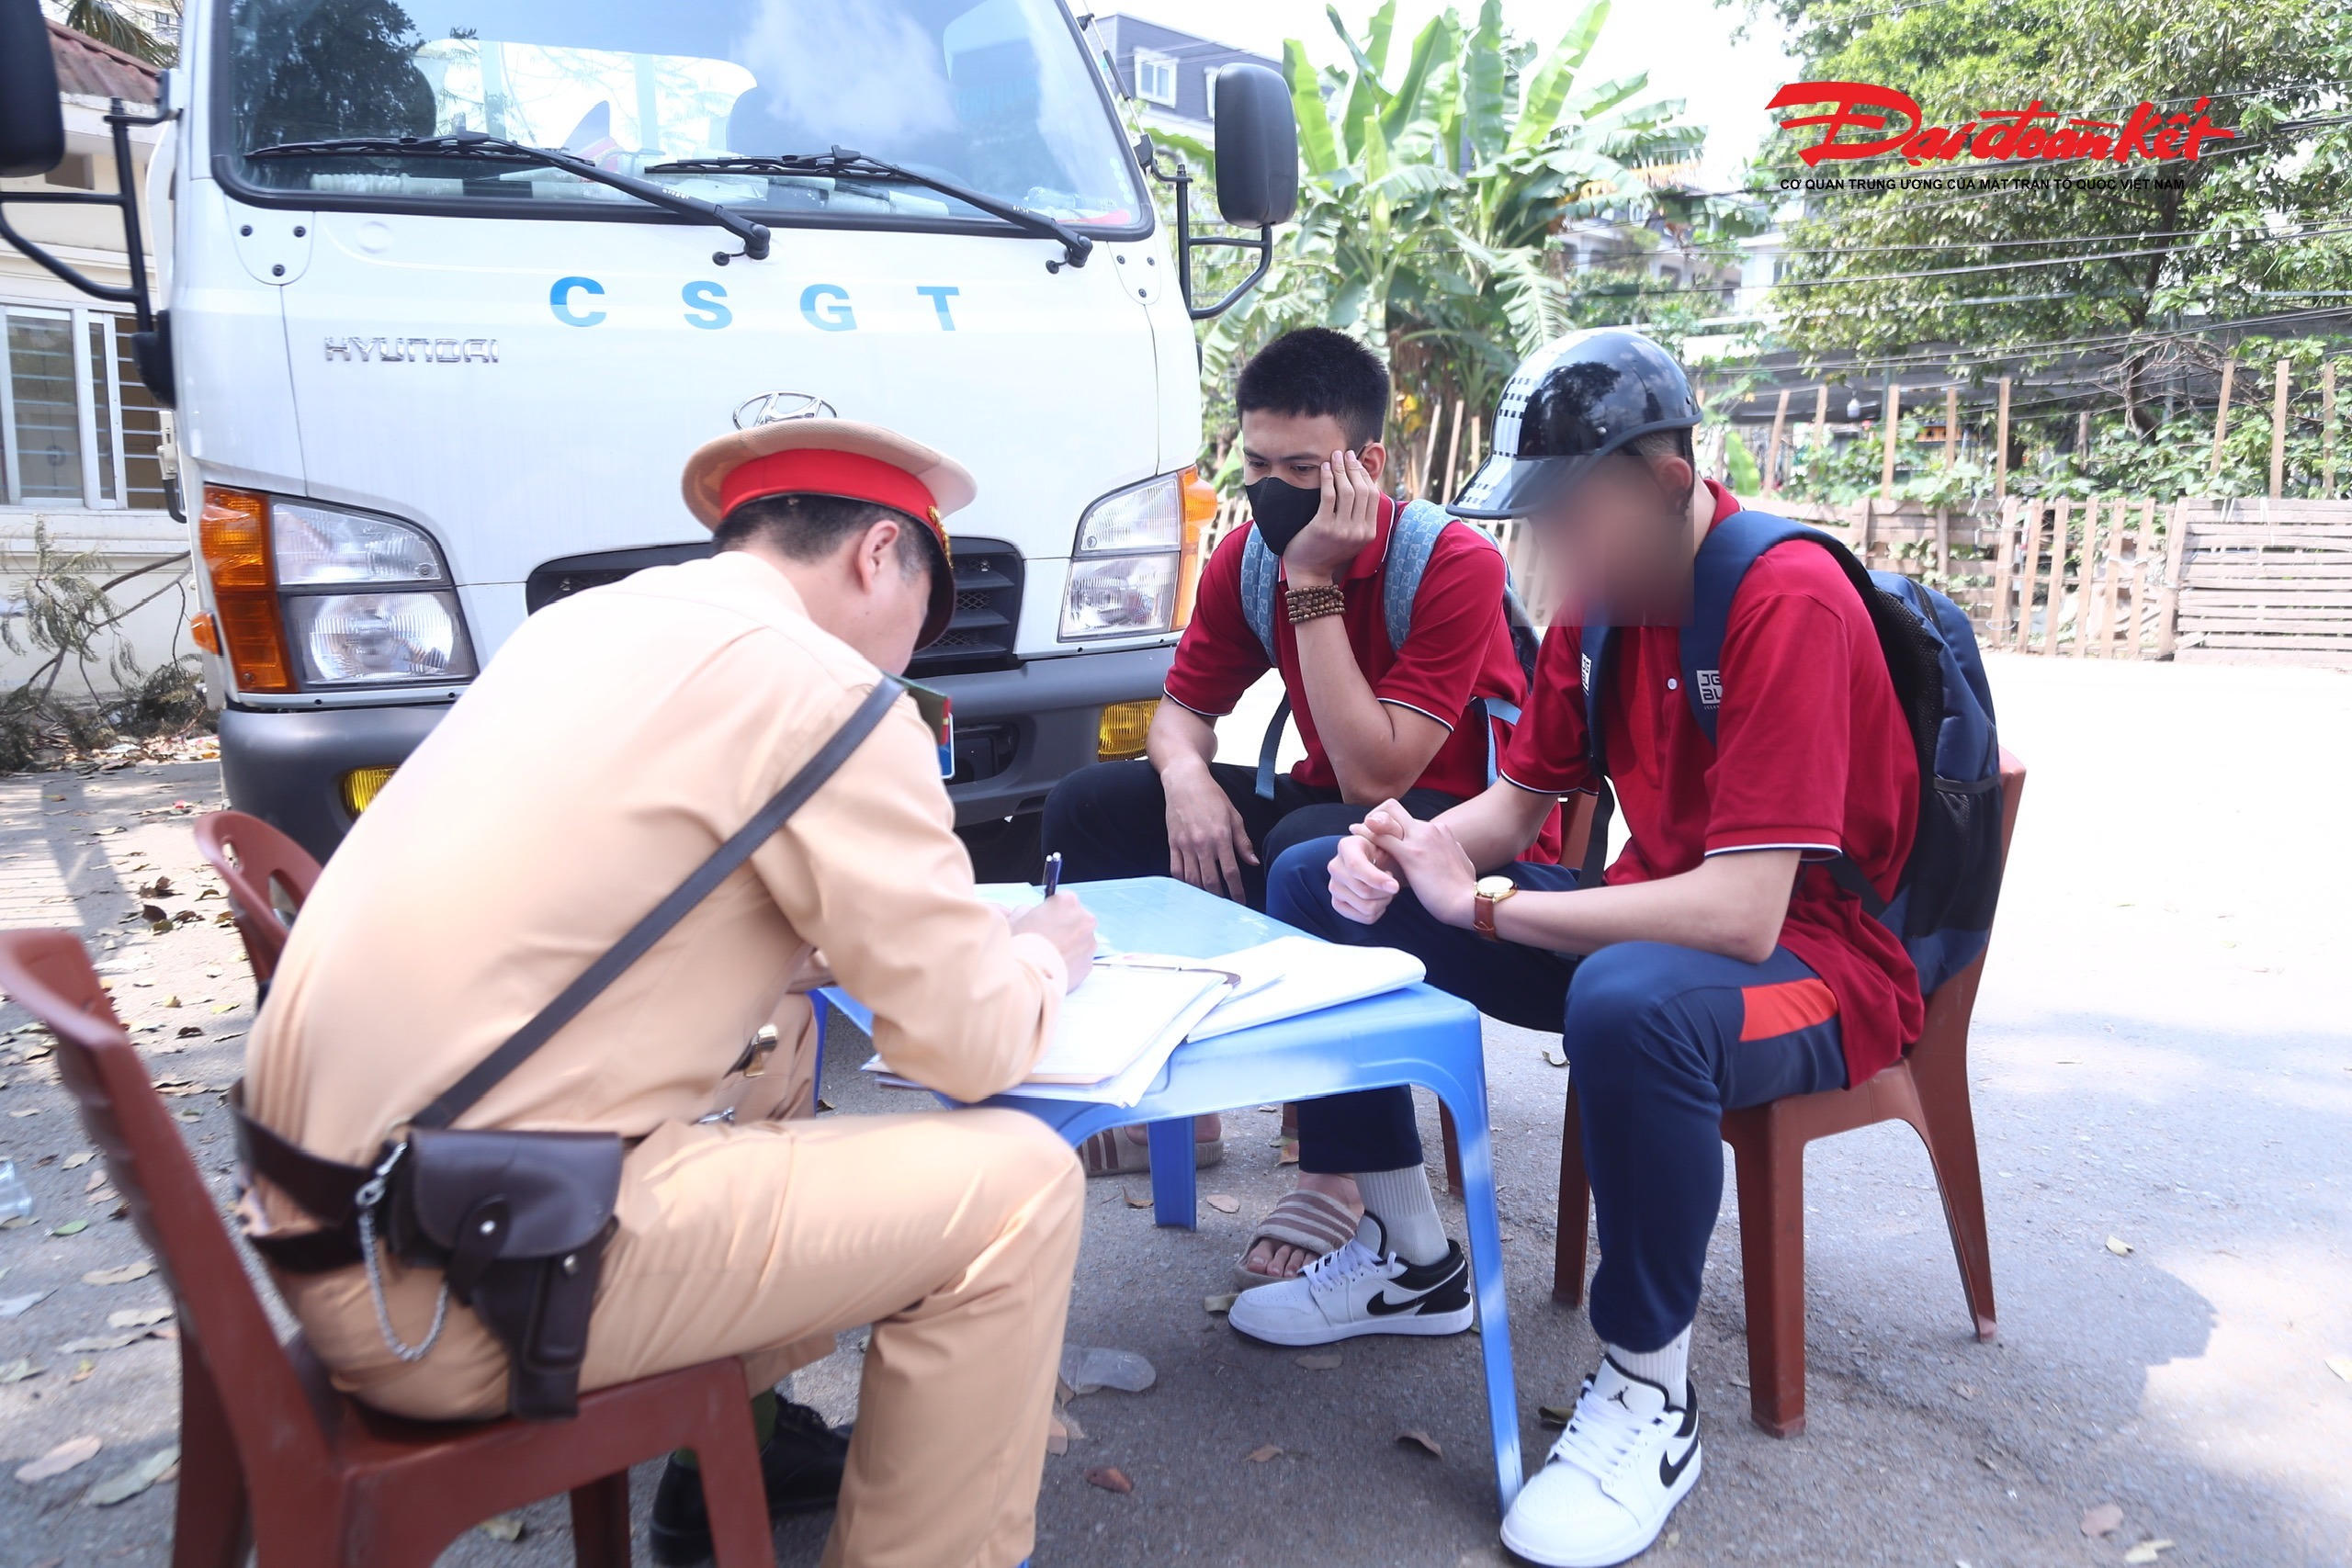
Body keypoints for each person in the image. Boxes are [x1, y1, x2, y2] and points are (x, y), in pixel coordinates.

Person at [239, 415, 1095, 1568]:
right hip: (453, 1286)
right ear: (879, 553)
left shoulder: (580, 629)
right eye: (921, 620)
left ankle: (735, 1449)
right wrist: (1040, 957)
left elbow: (616, 905)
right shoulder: (830, 692)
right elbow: (973, 1046)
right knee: (1019, 1191)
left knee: (781, 1029)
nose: (910, 657)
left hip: (336, 1215)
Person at [1235, 329, 1926, 1568]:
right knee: (1313, 873)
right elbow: (1514, 809)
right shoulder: (1601, 611)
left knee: (1629, 998)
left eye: (1567, 516)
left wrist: (1487, 909)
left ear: (1667, 482)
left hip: (1816, 967)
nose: (1550, 550)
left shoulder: (1785, 599)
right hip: (1647, 930)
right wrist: (1405, 845)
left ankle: (1650, 1388)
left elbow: (1742, 915)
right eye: (1537, 522)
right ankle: (1410, 1254)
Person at [1041, 327, 1549, 1201]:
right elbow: (1178, 718)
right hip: (1332, 808)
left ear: (1367, 464)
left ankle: (1341, 1167)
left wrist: (1311, 580)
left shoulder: (1450, 564)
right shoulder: (1247, 559)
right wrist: (1186, 779)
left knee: (1311, 842)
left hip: (1457, 827)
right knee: (1091, 804)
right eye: (1258, 464)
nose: (1274, 489)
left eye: (1303, 469)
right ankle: (1167, 1100)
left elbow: (1376, 781)